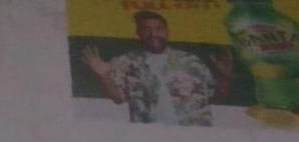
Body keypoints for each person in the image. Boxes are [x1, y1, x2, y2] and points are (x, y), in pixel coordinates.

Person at [82, 11, 233, 126]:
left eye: (158, 28)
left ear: (167, 31)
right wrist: (104, 76)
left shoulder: (191, 61)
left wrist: (225, 78)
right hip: (151, 138)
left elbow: (216, 98)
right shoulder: (126, 62)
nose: (153, 34)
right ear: (138, 34)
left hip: (194, 134)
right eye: (146, 29)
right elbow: (118, 98)